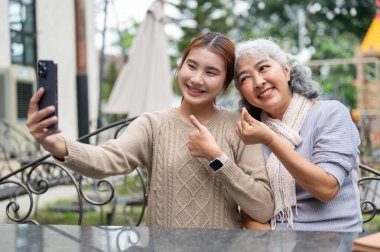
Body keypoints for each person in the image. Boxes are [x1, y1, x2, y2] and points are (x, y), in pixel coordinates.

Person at [27, 32, 274, 229]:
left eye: (211, 72)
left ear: (225, 82)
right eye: (191, 66)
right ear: (180, 66)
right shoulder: (153, 125)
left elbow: (263, 207)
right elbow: (107, 160)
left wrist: (217, 158)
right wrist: (55, 144)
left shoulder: (241, 128)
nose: (197, 79)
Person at [234, 38, 362, 232]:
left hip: (334, 238)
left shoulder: (331, 113)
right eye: (245, 78)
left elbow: (326, 189)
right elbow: (251, 208)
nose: (258, 82)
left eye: (263, 68)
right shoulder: (249, 133)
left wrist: (270, 139)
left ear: (287, 71)